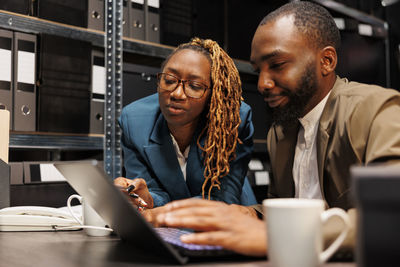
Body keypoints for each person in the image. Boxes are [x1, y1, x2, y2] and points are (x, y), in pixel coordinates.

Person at [154, 1, 400, 256]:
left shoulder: (377, 112)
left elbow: (391, 218)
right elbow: (297, 209)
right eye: (258, 70)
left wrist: (281, 237)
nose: (262, 84)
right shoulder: (281, 132)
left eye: (278, 65)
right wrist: (245, 214)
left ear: (326, 60)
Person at [114, 37, 255, 221]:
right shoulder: (133, 121)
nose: (177, 94)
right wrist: (148, 198)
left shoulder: (233, 120)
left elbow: (222, 200)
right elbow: (154, 192)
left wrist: (161, 214)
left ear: (212, 94)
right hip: (166, 223)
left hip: (228, 222)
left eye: (195, 86)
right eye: (169, 80)